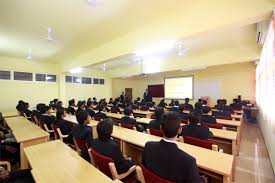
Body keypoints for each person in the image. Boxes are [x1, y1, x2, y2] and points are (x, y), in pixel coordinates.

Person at [142, 111, 205, 183]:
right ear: (180, 130)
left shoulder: (148, 146)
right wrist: (203, 180)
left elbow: (145, 167)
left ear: (161, 128)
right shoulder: (189, 161)